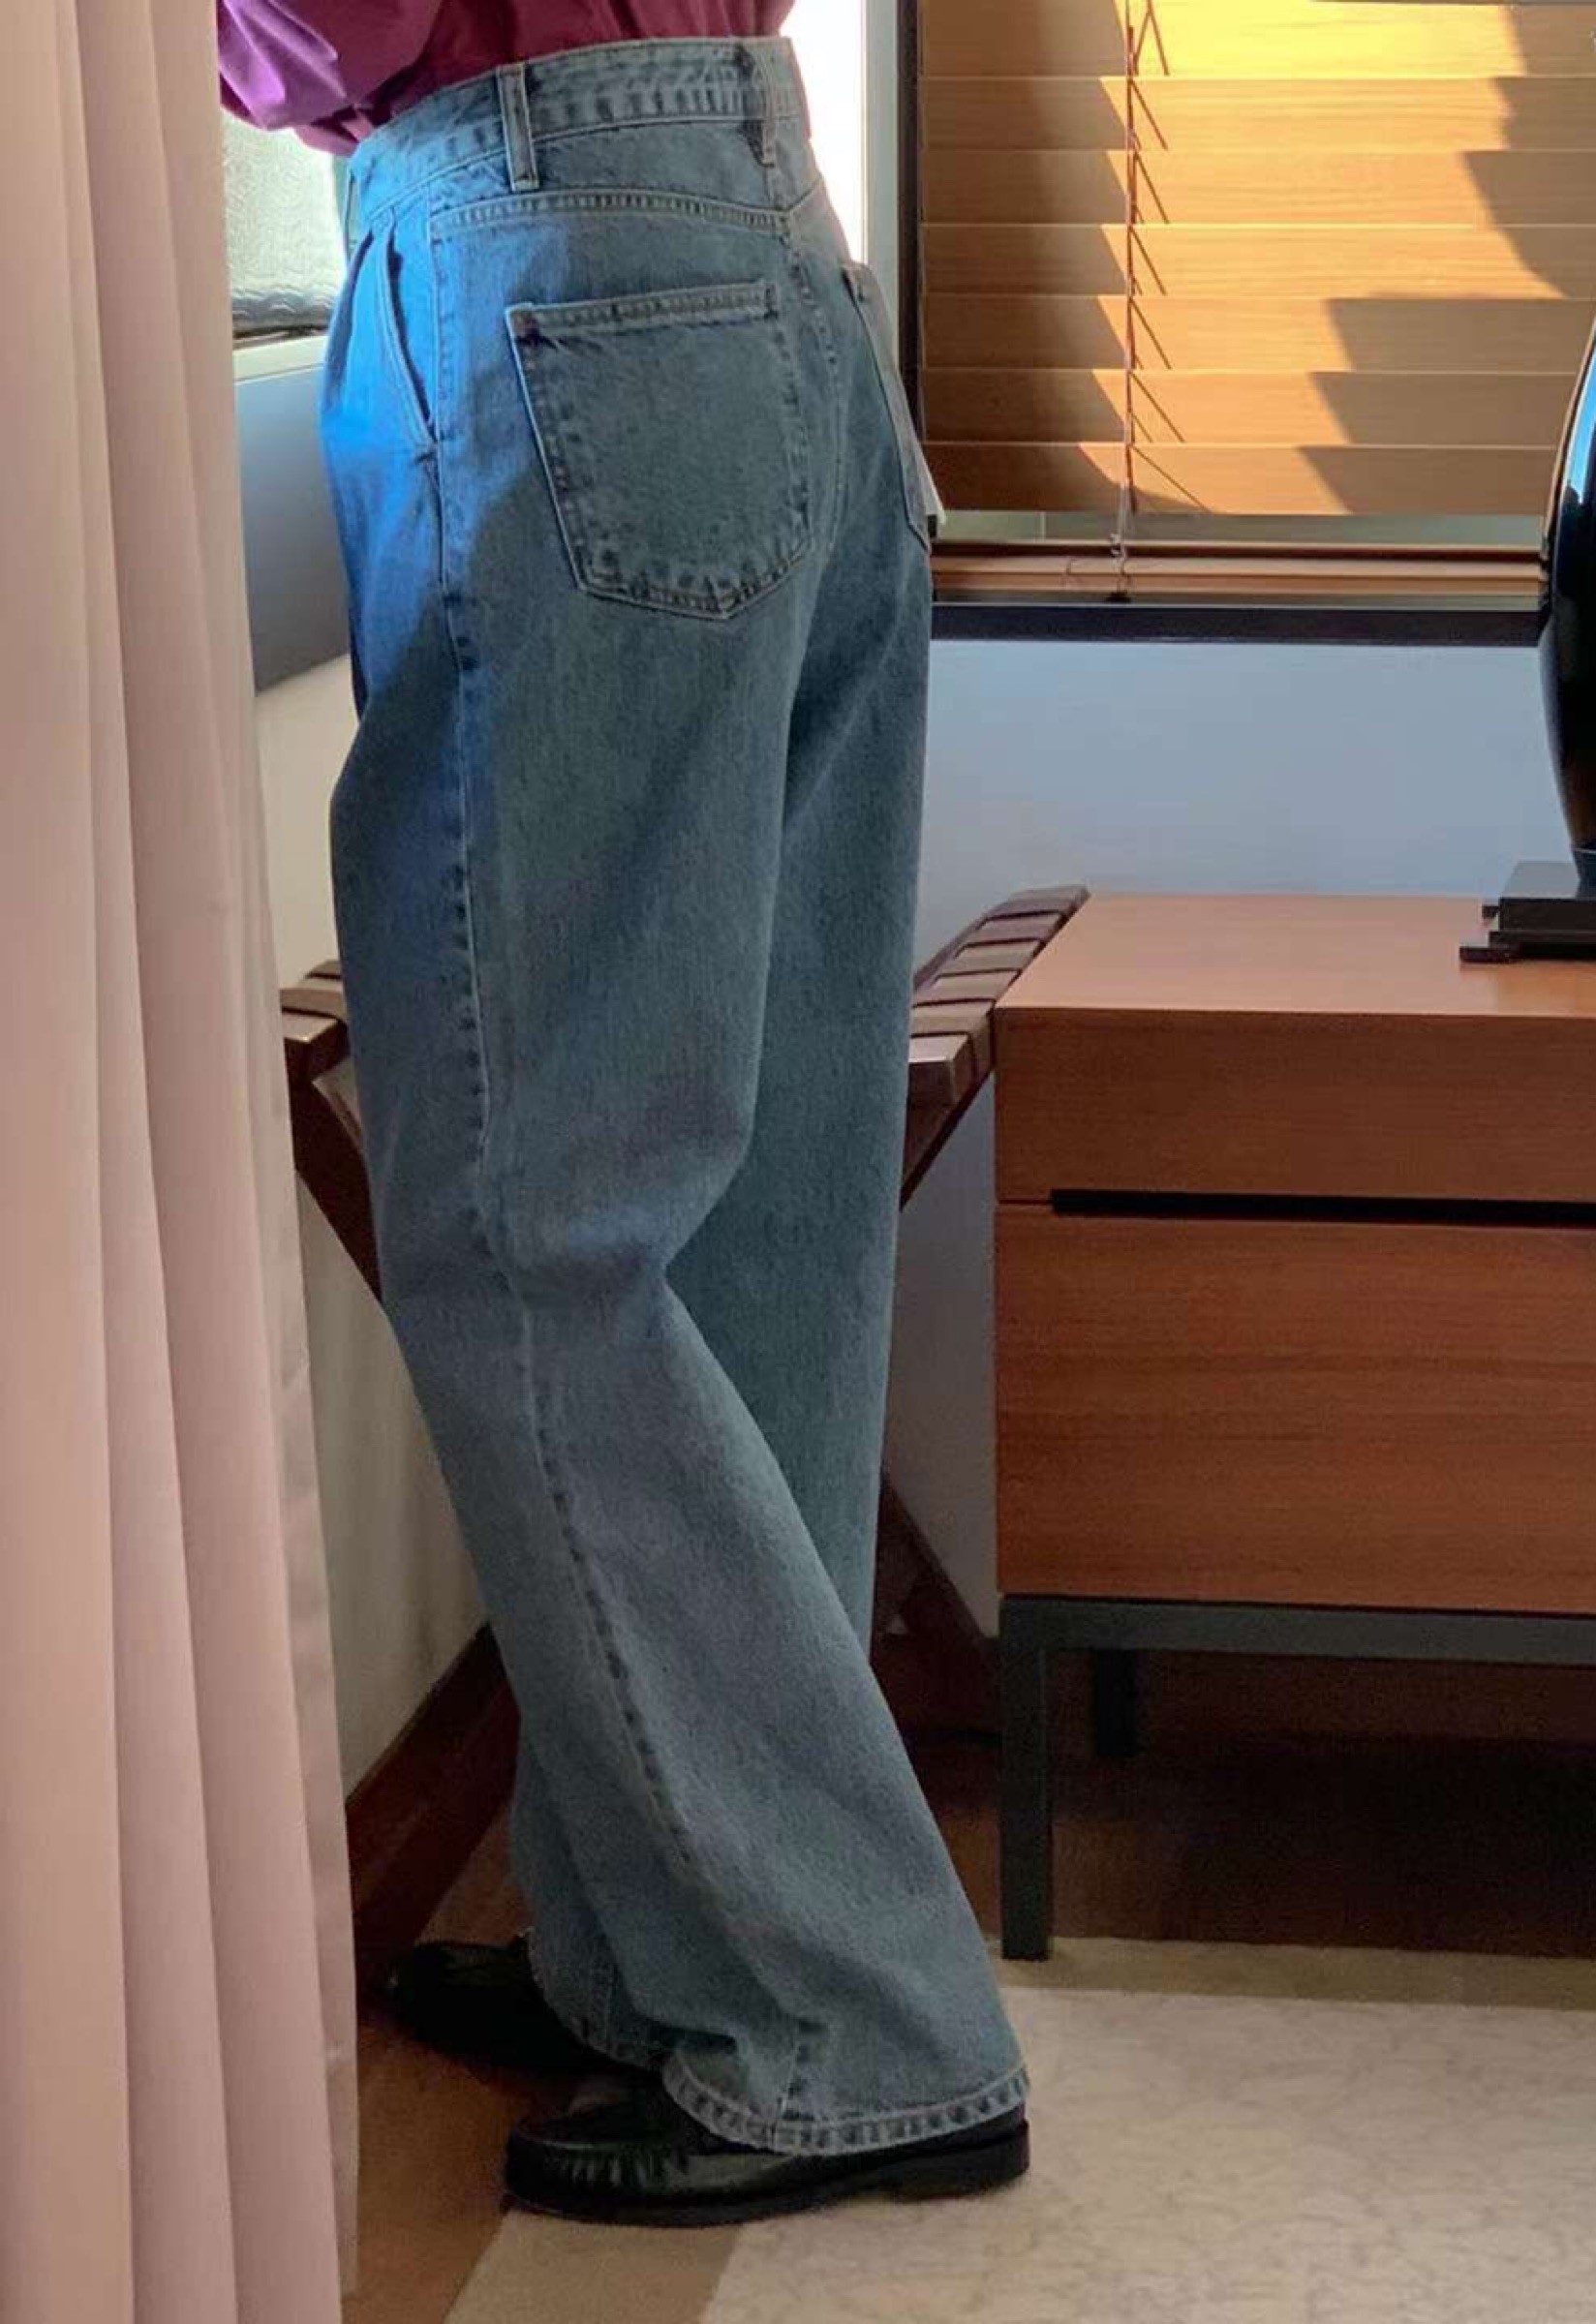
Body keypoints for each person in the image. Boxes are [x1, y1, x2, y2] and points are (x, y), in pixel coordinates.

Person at [219, 6, 1029, 2227]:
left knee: (530, 1231)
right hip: (761, 250)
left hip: (562, 254)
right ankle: (675, 1951)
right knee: (745, 1220)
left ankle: (855, 2020)